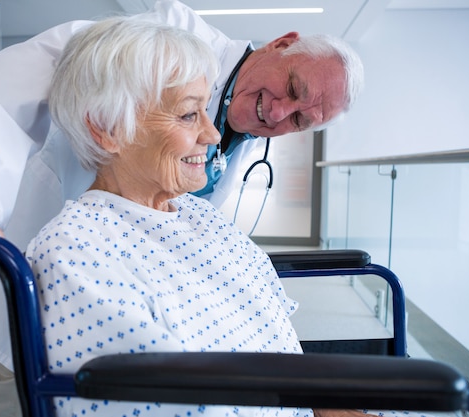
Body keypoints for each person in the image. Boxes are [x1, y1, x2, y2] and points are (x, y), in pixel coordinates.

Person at [0, 1, 364, 415]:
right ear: (282, 43)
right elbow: (23, 77)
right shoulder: (170, 41)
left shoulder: (218, 158)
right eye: (294, 89)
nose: (281, 114)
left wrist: (309, 391)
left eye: (301, 119)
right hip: (52, 303)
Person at [27, 16, 304, 416]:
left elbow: (273, 326)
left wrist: (319, 400)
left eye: (205, 112)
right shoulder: (77, 252)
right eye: (189, 115)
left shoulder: (197, 213)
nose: (212, 136)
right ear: (107, 128)